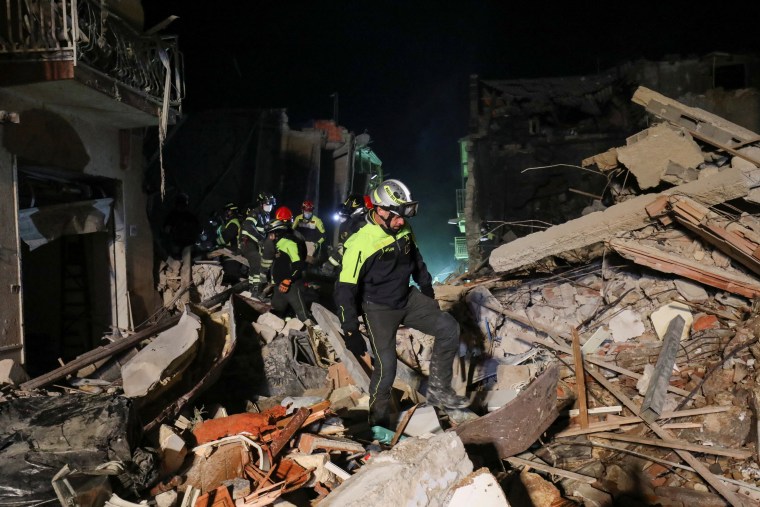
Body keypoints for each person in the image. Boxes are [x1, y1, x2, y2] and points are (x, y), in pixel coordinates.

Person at [334, 179, 470, 427]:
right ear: (381, 211)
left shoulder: (403, 229)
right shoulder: (360, 243)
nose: (401, 221)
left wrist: (426, 289)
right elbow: (345, 289)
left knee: (449, 328)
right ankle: (377, 423)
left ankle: (440, 391)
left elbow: (416, 260)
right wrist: (350, 328)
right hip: (378, 308)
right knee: (386, 370)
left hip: (406, 298)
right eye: (397, 216)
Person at [259, 206, 313, 321]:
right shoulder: (281, 243)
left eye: (271, 234)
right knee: (276, 313)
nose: (270, 237)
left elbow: (298, 263)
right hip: (280, 285)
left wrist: (289, 279)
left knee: (303, 314)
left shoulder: (289, 242)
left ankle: (316, 333)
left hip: (290, 283)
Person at [321, 194, 371, 276]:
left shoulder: (361, 225)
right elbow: (344, 242)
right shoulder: (353, 224)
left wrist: (331, 263)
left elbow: (349, 247)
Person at [240, 192, 276, 295]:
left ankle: (254, 286)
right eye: (267, 205)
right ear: (261, 204)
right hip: (247, 242)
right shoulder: (255, 213)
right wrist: (260, 239)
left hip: (257, 244)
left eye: (271, 205)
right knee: (257, 260)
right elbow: (247, 225)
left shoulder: (266, 216)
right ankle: (255, 289)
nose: (269, 207)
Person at [162, 192, 200, 258]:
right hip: (178, 243)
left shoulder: (189, 216)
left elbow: (197, 229)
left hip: (185, 243)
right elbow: (166, 229)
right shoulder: (173, 215)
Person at [292, 200, 326, 265]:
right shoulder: (298, 218)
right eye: (306, 211)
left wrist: (317, 243)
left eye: (309, 211)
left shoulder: (317, 220)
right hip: (300, 241)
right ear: (302, 210)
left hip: (311, 243)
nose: (307, 213)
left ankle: (306, 271)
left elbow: (324, 235)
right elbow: (291, 230)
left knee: (307, 259)